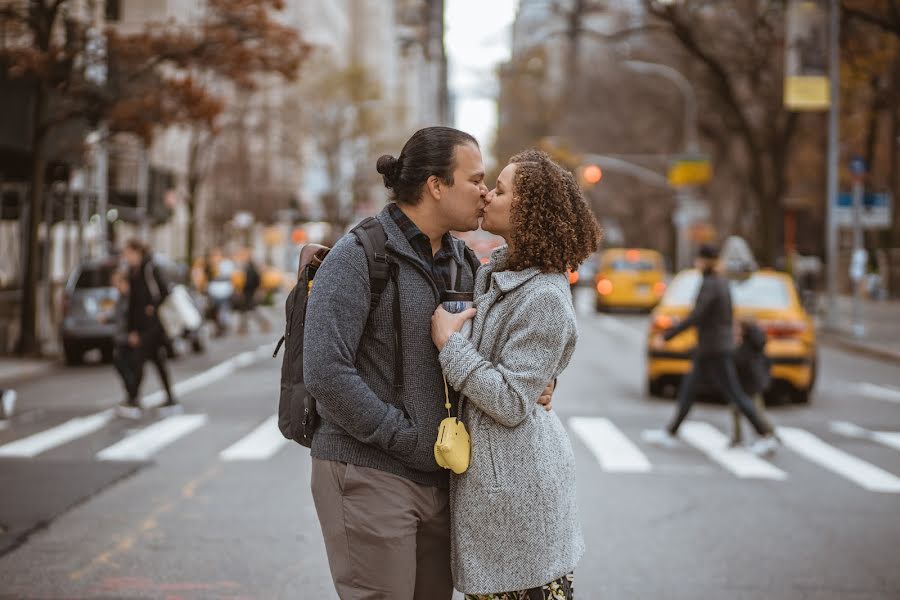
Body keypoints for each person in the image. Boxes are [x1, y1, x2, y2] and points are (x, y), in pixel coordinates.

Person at [302, 127, 555, 600]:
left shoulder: (464, 262)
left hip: (441, 479)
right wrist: (407, 438)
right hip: (368, 470)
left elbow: (496, 344)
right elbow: (325, 372)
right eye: (475, 179)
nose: (483, 192)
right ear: (436, 185)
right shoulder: (359, 255)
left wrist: (540, 379)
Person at [430, 149, 599, 599]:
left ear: (528, 211)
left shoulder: (543, 295)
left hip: (521, 504)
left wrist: (451, 344)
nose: (487, 194)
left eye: (500, 189)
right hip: (496, 496)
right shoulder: (497, 274)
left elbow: (508, 402)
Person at [644, 244, 780, 455]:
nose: (697, 263)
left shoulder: (711, 284)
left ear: (706, 260)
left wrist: (667, 336)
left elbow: (697, 315)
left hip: (714, 348)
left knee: (734, 393)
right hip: (712, 346)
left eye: (699, 259)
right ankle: (670, 431)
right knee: (689, 391)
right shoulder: (720, 282)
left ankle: (765, 434)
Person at [122, 239, 181, 416]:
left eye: (128, 253)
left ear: (137, 252)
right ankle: (169, 397)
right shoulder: (134, 270)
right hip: (142, 325)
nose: (127, 257)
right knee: (157, 360)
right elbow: (132, 303)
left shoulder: (150, 268)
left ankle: (133, 399)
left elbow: (165, 291)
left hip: (153, 325)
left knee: (138, 359)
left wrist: (152, 307)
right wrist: (131, 328)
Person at [730, 317, 773, 447]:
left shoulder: (746, 346)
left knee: (756, 412)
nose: (734, 330)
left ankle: (769, 433)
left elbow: (739, 361)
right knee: (736, 410)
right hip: (745, 384)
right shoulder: (749, 344)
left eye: (737, 327)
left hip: (749, 385)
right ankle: (737, 437)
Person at [110, 268, 141, 419]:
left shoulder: (131, 297)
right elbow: (118, 316)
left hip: (129, 338)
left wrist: (134, 333)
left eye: (115, 281)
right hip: (121, 337)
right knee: (121, 364)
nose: (113, 285)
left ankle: (133, 397)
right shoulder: (121, 296)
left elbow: (134, 316)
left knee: (129, 367)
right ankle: (131, 396)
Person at [236, 250, 270, 335]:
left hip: (249, 291)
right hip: (247, 291)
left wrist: (258, 290)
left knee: (250, 310)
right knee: (247, 310)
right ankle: (244, 328)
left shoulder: (250, 267)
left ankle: (244, 328)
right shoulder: (247, 266)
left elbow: (254, 280)